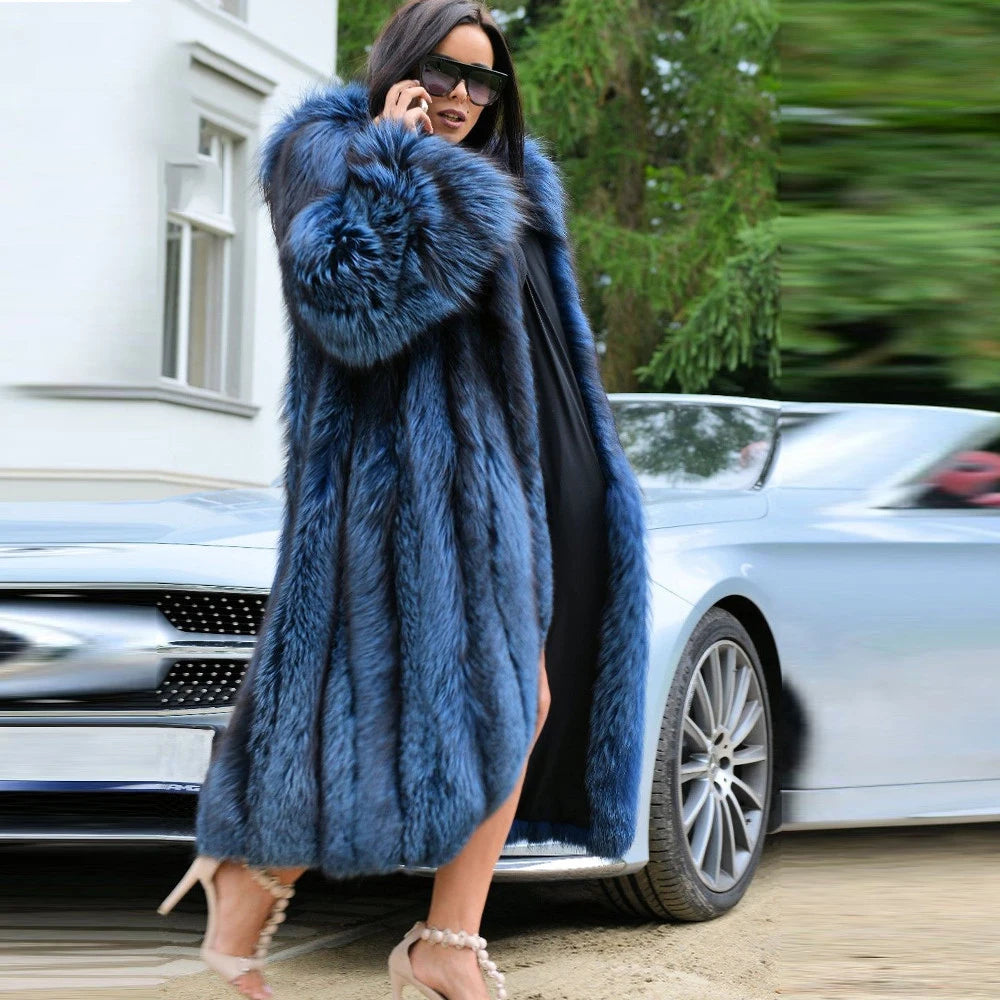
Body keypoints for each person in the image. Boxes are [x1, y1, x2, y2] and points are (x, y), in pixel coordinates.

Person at [156, 2, 650, 998]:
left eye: (483, 81)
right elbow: (353, 306)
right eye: (444, 70)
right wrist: (393, 158)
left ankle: (387, 925)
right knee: (476, 704)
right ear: (397, 64)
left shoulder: (522, 177)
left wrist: (594, 471)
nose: (463, 96)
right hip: (416, 491)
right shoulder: (321, 150)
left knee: (515, 699)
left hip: (546, 479)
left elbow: (546, 347)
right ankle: (363, 917)